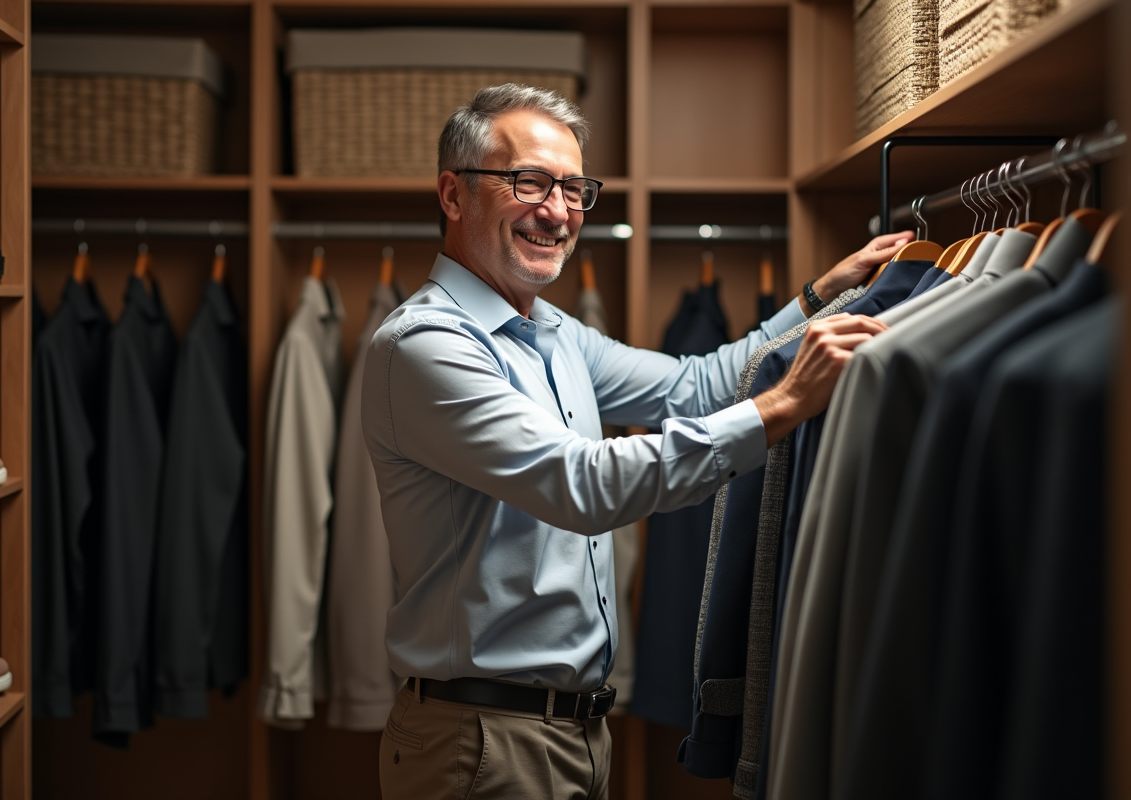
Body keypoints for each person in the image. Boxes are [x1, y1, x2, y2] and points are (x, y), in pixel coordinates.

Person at [361, 84, 910, 800]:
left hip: (573, 733)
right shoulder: (425, 345)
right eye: (529, 182)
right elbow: (583, 484)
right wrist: (784, 404)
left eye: (574, 189)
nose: (558, 211)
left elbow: (693, 385)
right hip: (482, 744)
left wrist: (813, 301)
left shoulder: (554, 332)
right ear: (453, 194)